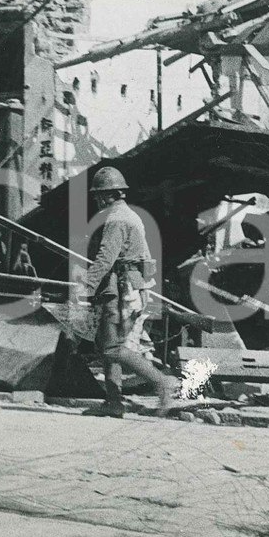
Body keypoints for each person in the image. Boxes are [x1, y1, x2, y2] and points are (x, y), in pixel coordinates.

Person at [79, 166, 179, 419]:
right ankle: (113, 403)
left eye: (99, 195)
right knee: (108, 345)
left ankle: (162, 383)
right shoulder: (129, 215)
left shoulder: (116, 219)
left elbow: (105, 258)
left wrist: (85, 288)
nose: (97, 200)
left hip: (123, 289)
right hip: (125, 286)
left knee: (112, 348)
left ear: (108, 195)